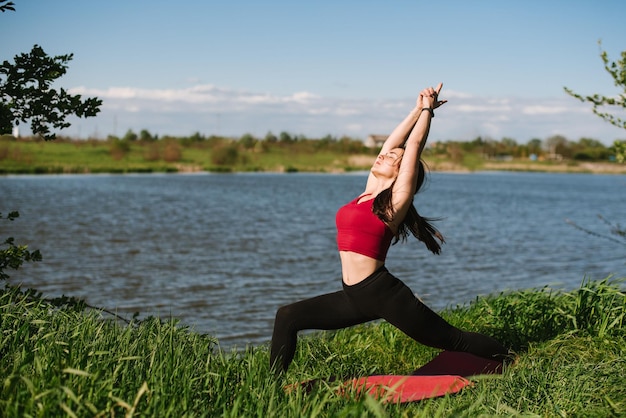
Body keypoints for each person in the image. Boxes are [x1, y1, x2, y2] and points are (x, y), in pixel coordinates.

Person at [270, 83, 510, 374]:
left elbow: (414, 147)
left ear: (401, 173)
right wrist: (415, 108)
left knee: (450, 338)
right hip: (353, 295)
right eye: (385, 154)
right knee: (287, 316)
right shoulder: (369, 193)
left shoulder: (394, 203)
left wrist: (427, 111)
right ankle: (273, 388)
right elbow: (391, 144)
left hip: (381, 293)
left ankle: (510, 360)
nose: (385, 155)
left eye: (394, 158)